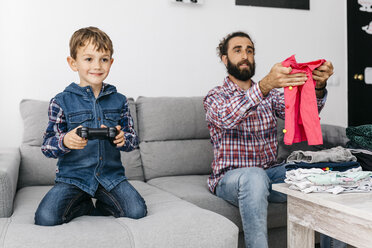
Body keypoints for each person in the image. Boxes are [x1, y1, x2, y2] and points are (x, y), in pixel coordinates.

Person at [203, 31, 344, 248]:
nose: (245, 55)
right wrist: (264, 86)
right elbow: (226, 118)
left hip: (270, 173)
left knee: (320, 177)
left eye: (249, 50)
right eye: (237, 50)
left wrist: (318, 86)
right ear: (224, 58)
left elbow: (302, 115)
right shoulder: (216, 96)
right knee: (254, 176)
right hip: (229, 179)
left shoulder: (270, 96)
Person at [35, 27, 147, 226]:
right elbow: (47, 146)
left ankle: (105, 203)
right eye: (88, 59)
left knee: (137, 211)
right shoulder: (60, 101)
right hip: (72, 178)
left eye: (104, 59)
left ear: (111, 62)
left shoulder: (120, 100)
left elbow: (132, 140)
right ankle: (82, 204)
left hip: (110, 178)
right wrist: (65, 140)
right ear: (73, 63)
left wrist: (123, 139)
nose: (97, 65)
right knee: (46, 218)